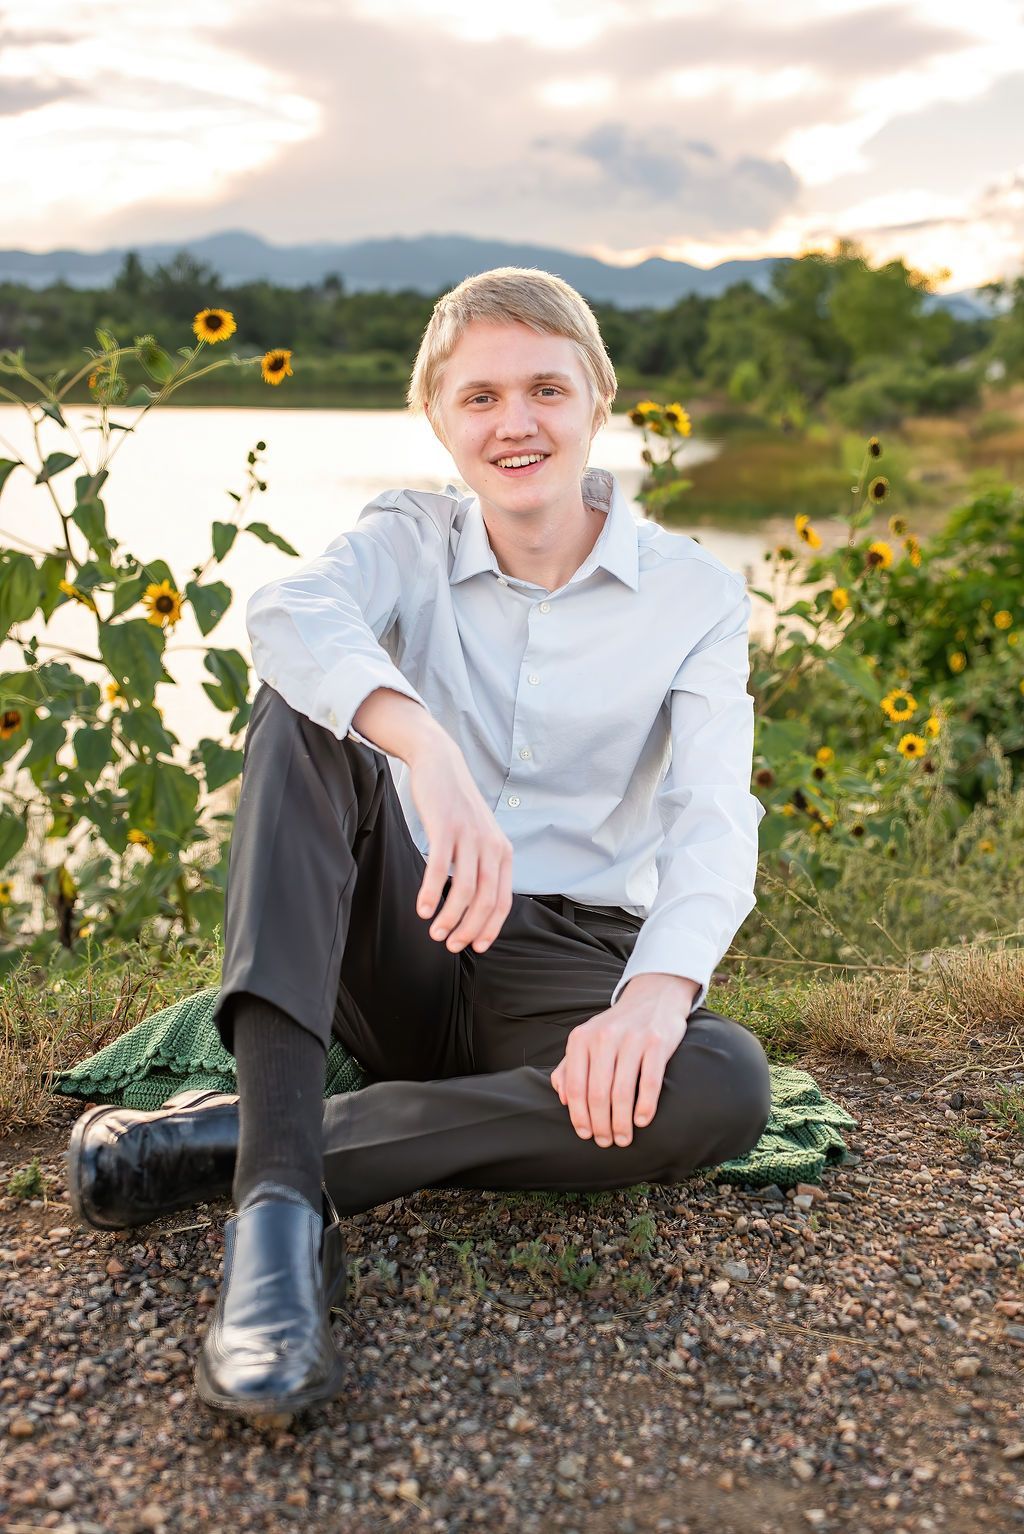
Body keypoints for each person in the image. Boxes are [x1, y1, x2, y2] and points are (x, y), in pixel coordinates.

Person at [67, 265, 772, 1419]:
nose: (516, 423)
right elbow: (289, 612)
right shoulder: (408, 533)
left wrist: (656, 992)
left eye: (546, 387)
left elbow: (711, 815)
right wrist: (424, 748)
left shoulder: (693, 595)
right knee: (305, 708)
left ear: (598, 395)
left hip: (569, 961)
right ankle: (279, 1228)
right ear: (437, 419)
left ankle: (251, 1140)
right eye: (480, 397)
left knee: (720, 1080)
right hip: (403, 930)